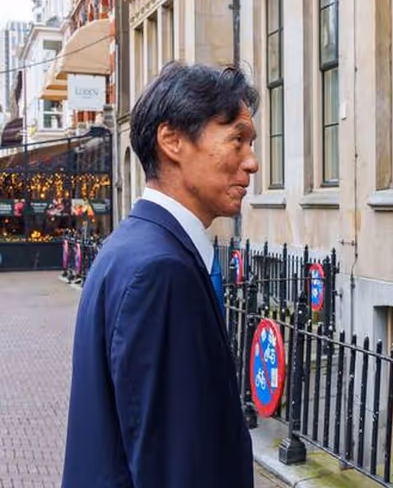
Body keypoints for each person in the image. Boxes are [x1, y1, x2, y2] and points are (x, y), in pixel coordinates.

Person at [63, 62, 259, 487]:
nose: (252, 162)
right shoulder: (162, 271)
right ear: (172, 140)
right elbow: (176, 467)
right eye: (237, 140)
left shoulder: (131, 248)